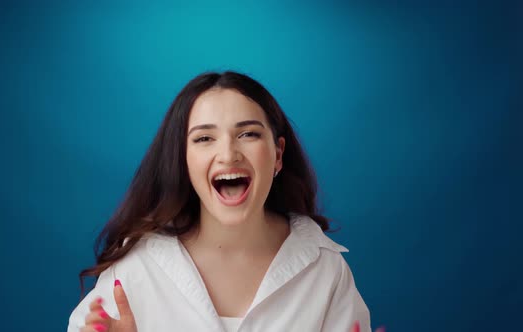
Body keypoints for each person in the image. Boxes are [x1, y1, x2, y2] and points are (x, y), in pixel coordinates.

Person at [68, 71, 380, 332]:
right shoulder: (137, 266)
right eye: (204, 138)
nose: (228, 154)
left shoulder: (324, 268)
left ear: (278, 155)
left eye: (248, 134)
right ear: (183, 159)